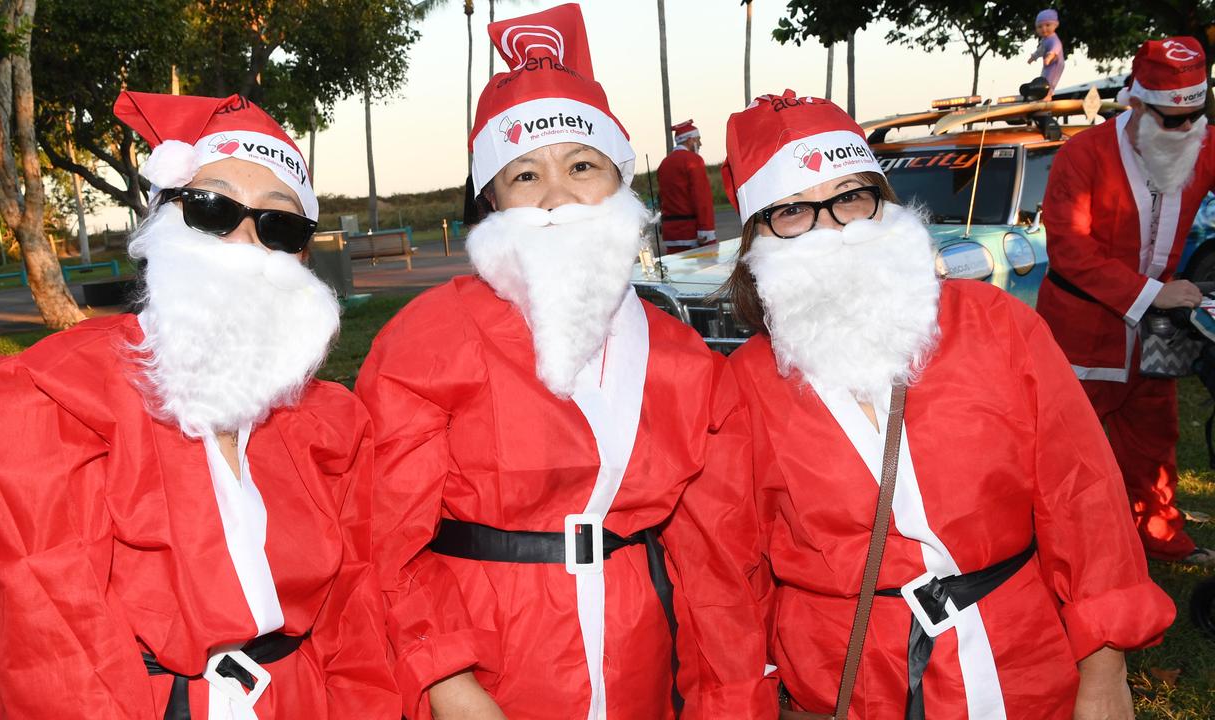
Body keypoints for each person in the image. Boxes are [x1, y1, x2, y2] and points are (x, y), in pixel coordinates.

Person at [355, 5, 776, 719]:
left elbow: (720, 565)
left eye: (582, 167)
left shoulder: (683, 360)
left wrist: (731, 700)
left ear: (619, 180)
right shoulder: (425, 342)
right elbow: (379, 542)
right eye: (525, 176)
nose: (557, 198)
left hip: (642, 660)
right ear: (491, 199)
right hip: (486, 674)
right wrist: (449, 684)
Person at [0, 91, 399, 718]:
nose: (244, 239)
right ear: (164, 222)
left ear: (303, 253)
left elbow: (357, 607)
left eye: (279, 223)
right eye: (212, 208)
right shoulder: (48, 394)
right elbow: (48, 632)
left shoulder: (332, 420)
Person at [715, 89, 1176, 718]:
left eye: (852, 196)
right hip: (843, 682)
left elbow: (1083, 495)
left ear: (885, 206)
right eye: (792, 210)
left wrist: (1104, 672)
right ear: (756, 238)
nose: (834, 229)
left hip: (1022, 663)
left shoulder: (998, 326)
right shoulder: (742, 385)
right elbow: (729, 572)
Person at [1036, 36, 1215, 566]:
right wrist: (1156, 294)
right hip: (1081, 328)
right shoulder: (1082, 154)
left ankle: (1160, 535)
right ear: (1135, 103)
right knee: (1067, 447)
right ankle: (1063, 547)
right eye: (1171, 120)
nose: (1185, 131)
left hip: (1154, 337)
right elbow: (1069, 250)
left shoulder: (1203, 143)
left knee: (1154, 438)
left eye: (1196, 118)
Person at [657, 119, 718, 253]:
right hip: (693, 234)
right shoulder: (693, 160)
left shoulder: (664, 163)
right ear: (690, 140)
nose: (700, 143)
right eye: (698, 139)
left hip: (672, 234)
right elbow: (702, 198)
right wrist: (706, 229)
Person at [1027, 9, 1064, 99]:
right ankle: (1041, 94)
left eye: (1047, 25)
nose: (1044, 29)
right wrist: (1033, 57)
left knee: (1050, 80)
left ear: (1055, 25)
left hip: (1055, 63)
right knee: (1043, 78)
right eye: (1040, 27)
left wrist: (1050, 56)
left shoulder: (1053, 39)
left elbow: (1056, 47)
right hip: (1047, 64)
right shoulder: (1045, 40)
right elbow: (1041, 50)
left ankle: (1047, 95)